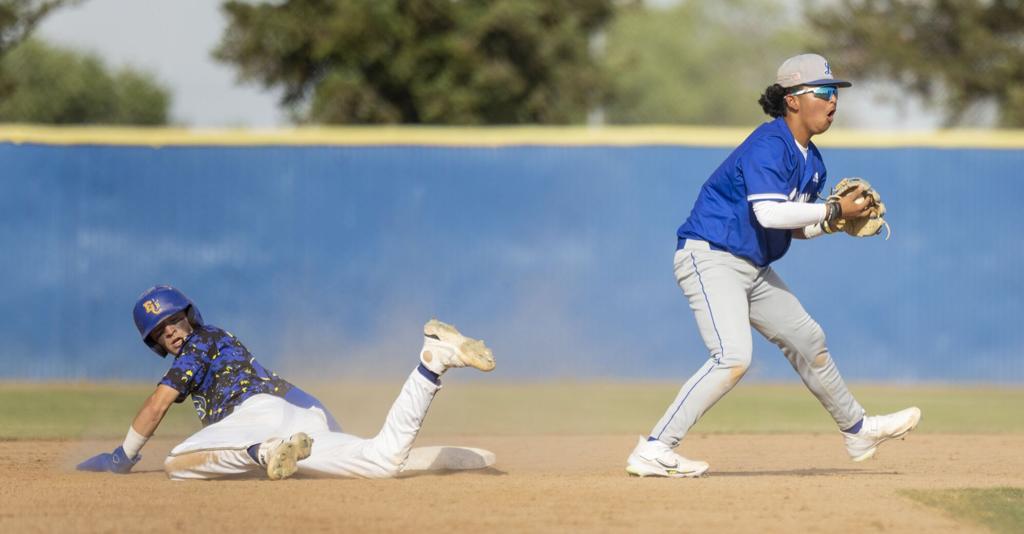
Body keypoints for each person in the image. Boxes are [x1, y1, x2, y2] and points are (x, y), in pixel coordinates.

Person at [625, 54, 921, 478]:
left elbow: (794, 226)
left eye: (835, 92)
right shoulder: (769, 144)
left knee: (808, 339)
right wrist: (832, 208)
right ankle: (655, 448)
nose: (833, 101)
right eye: (824, 92)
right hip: (710, 255)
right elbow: (768, 214)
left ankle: (858, 430)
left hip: (753, 266)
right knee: (732, 357)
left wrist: (834, 221)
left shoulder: (813, 163)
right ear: (794, 99)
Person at [77, 285, 496, 480]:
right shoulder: (212, 339)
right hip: (304, 412)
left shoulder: (199, 343)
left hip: (260, 415)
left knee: (178, 463)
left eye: (173, 319)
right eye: (159, 329)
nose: (170, 330)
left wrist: (122, 456)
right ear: (153, 341)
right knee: (380, 462)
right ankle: (432, 362)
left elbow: (158, 403)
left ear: (189, 316)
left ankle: (261, 452)